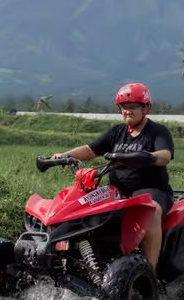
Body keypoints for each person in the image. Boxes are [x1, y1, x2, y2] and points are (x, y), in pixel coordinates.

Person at [50, 82, 174, 272]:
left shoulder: (158, 132)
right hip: (117, 192)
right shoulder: (116, 132)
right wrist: (65, 155)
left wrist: (147, 156)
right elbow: (90, 150)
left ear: (146, 108)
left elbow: (165, 155)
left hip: (152, 190)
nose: (128, 112)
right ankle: (69, 260)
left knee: (151, 210)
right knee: (79, 207)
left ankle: (150, 274)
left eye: (133, 107)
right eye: (124, 108)